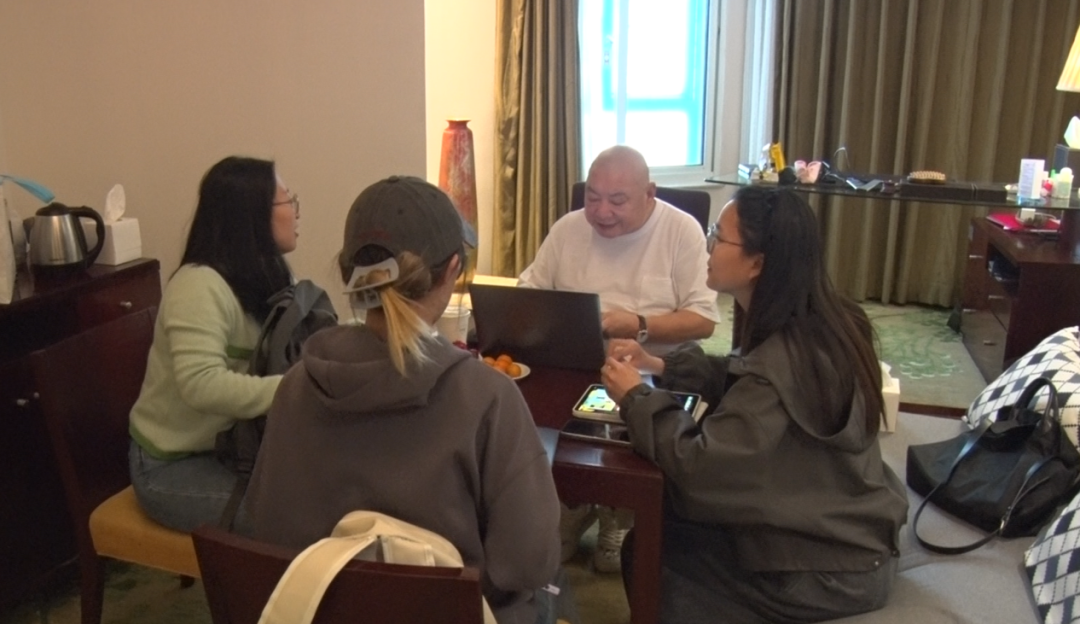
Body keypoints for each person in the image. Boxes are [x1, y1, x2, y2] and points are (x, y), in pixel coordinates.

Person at [245, 176, 564, 624]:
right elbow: (528, 561)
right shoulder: (488, 397)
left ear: (350, 277)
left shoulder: (297, 385)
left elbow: (265, 526)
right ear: (452, 271)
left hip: (324, 612)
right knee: (554, 590)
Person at [601, 185, 909, 624]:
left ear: (757, 263)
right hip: (853, 531)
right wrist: (660, 366)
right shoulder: (825, 320)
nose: (708, 247)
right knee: (669, 520)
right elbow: (746, 374)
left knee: (649, 550)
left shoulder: (780, 364)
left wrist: (636, 397)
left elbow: (699, 468)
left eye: (718, 237)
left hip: (831, 570)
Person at [519, 144, 721, 572]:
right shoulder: (568, 229)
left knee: (631, 425)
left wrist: (640, 325)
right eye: (592, 197)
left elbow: (704, 320)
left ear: (649, 193)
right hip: (574, 362)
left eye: (617, 201)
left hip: (653, 370)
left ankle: (620, 515)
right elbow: (529, 292)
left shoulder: (680, 231)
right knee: (528, 408)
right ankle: (574, 504)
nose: (601, 212)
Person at [128, 155, 300, 532]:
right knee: (290, 521)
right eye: (288, 201)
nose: (296, 212)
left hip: (235, 449)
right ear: (253, 214)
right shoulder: (198, 287)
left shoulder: (270, 274)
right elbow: (202, 384)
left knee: (335, 493)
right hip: (172, 463)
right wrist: (298, 389)